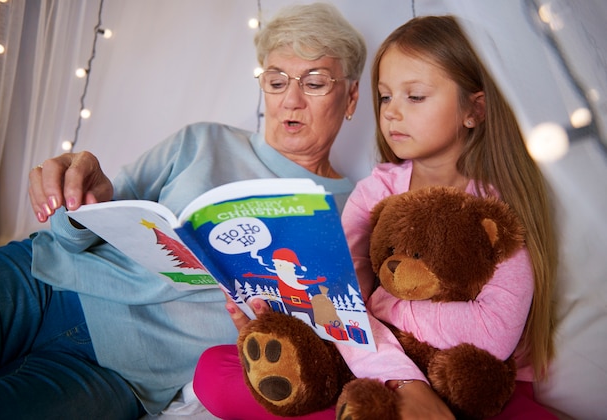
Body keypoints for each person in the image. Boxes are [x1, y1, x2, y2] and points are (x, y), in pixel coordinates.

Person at [0, 3, 366, 419]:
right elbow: (77, 231)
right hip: (42, 280)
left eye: (314, 82)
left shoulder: (355, 214)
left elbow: (331, 343)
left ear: (351, 96)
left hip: (120, 373)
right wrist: (79, 201)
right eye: (276, 80)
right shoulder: (202, 141)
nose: (291, 99)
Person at [195, 14, 558, 419]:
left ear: (474, 109)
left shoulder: (497, 209)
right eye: (385, 97)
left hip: (472, 378)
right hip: (378, 362)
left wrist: (386, 306)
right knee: (213, 369)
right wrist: (399, 378)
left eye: (414, 97)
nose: (392, 114)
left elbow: (493, 334)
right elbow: (341, 306)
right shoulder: (375, 192)